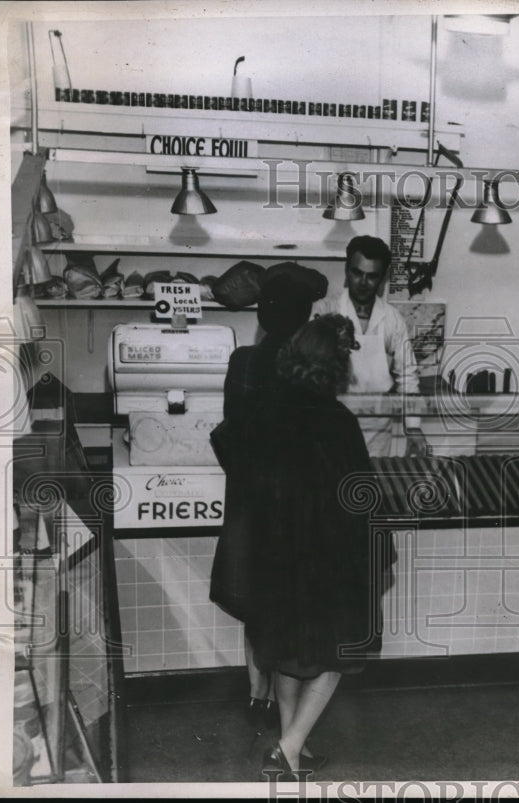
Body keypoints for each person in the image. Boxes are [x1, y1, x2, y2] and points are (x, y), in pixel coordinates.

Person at [212, 314, 389, 778]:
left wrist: (264, 495)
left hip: (272, 553)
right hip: (321, 557)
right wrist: (378, 546)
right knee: (337, 654)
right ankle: (287, 748)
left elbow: (224, 442)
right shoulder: (336, 420)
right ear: (334, 367)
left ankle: (295, 747)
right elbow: (359, 495)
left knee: (286, 653)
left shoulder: (261, 405)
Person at [211, 275, 312, 732]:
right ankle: (286, 706)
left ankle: (258, 693)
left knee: (253, 600)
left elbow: (230, 430)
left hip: (250, 499)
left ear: (262, 316)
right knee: (287, 602)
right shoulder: (307, 366)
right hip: (291, 503)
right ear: (305, 318)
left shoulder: (243, 361)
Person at [311, 235, 426, 457]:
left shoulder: (393, 319)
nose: (363, 283)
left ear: (383, 279)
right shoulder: (325, 310)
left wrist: (413, 428)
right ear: (347, 271)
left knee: (369, 487)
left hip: (377, 428)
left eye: (372, 276)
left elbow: (408, 378)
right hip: (332, 424)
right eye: (357, 273)